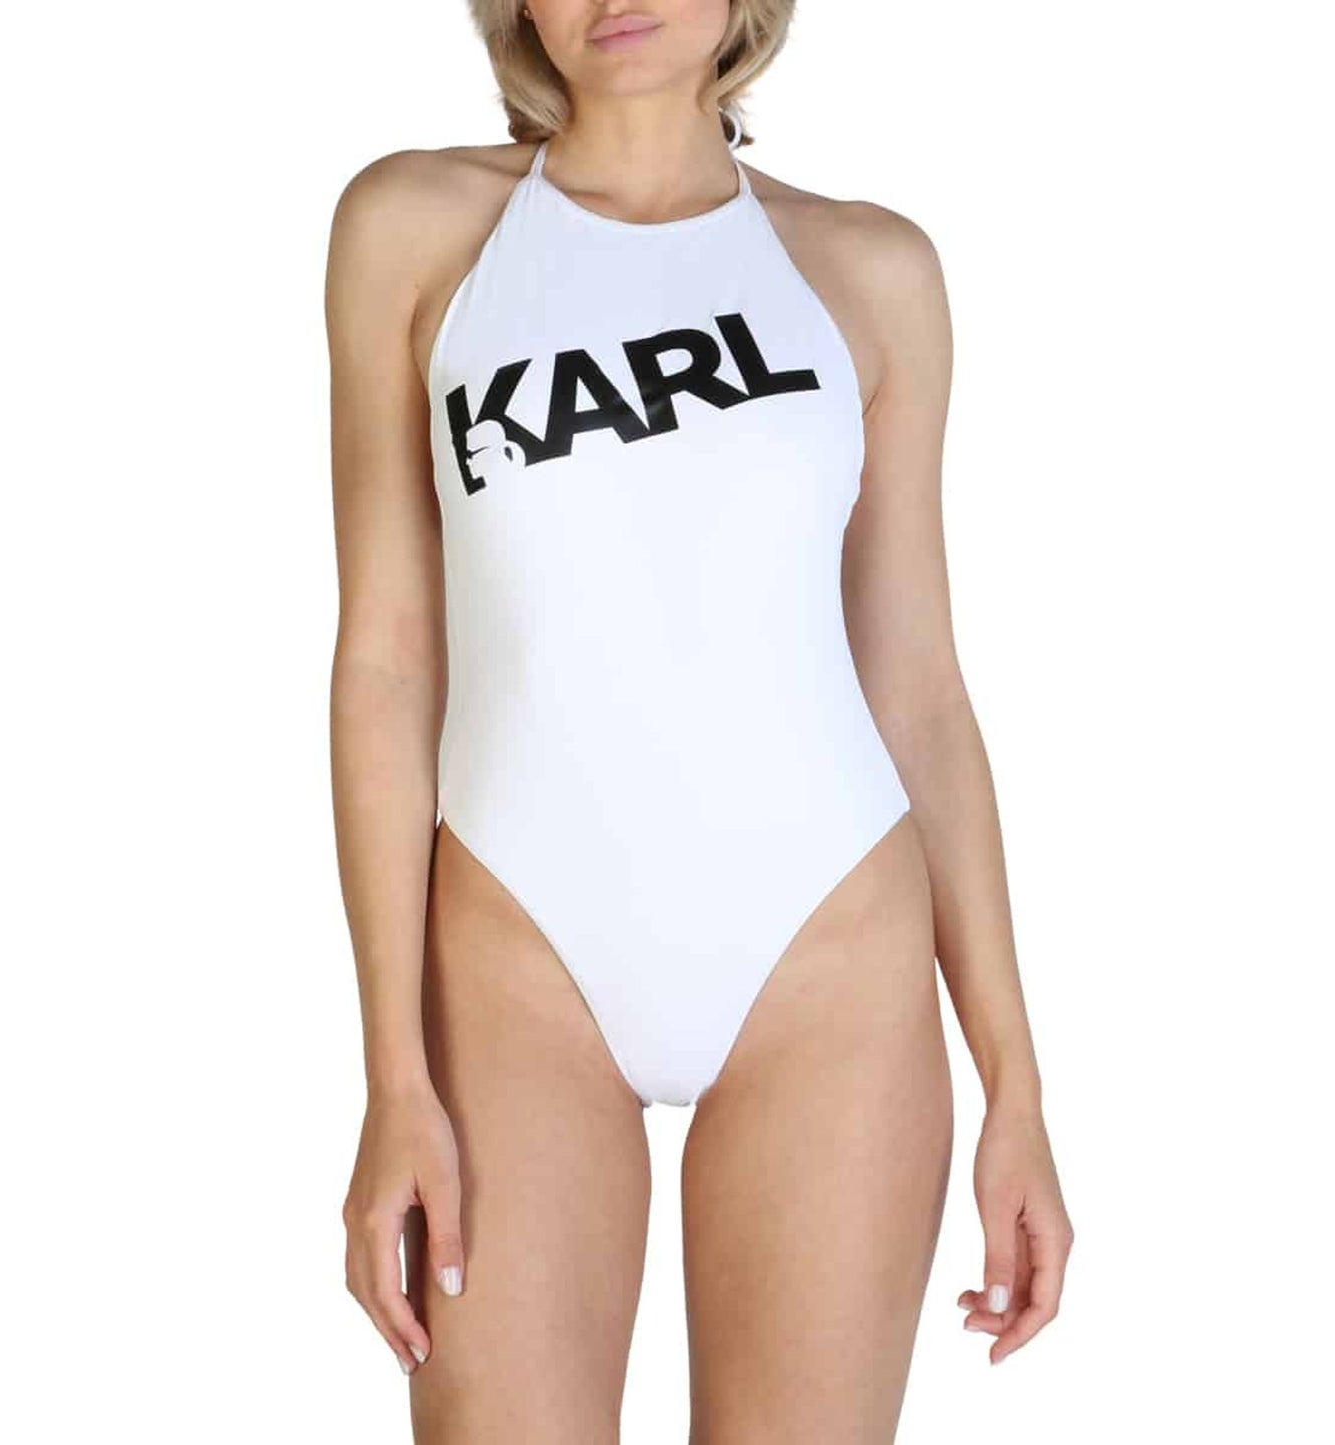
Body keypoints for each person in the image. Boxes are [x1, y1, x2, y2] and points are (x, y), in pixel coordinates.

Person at [323, 1, 1073, 1438]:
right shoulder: (410, 232)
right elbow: (385, 664)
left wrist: (1016, 1090)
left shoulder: (870, 268)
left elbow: (918, 685)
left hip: (829, 963)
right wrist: (391, 1080)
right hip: (514, 972)